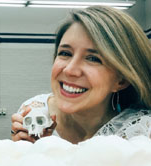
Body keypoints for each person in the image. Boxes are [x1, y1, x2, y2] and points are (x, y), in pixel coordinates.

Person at [11, 5, 151, 144]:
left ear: (121, 81)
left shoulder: (141, 133)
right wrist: (26, 151)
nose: (69, 70)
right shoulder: (34, 110)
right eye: (65, 53)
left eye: (93, 59)